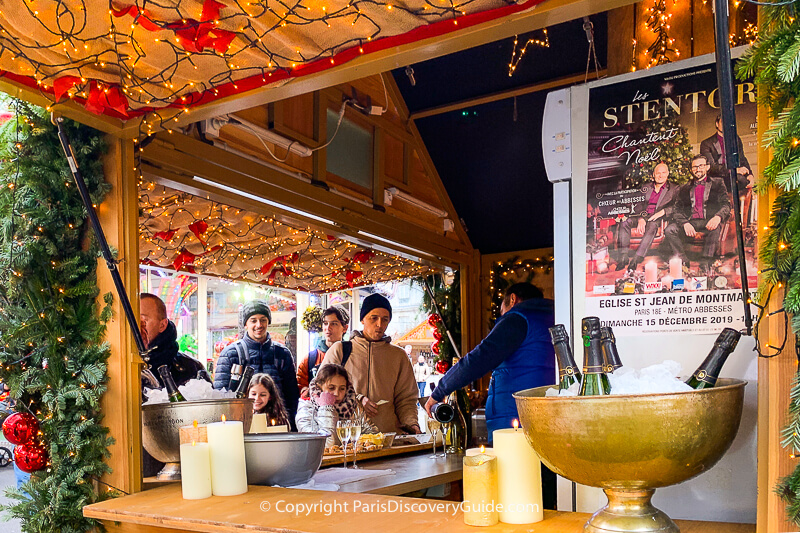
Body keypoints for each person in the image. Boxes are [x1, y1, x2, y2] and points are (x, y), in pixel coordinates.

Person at [423, 283, 556, 509]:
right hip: (553, 419)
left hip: (517, 423)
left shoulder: (517, 318)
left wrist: (439, 391)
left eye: (501, 307)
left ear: (512, 299)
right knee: (545, 494)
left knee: (518, 497)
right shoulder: (556, 316)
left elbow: (479, 358)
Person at [321, 293, 420, 435]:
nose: (379, 324)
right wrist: (358, 400)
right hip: (347, 441)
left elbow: (406, 400)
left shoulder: (399, 356)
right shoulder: (340, 351)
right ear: (363, 319)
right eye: (374, 318)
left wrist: (412, 425)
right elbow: (321, 392)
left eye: (385, 319)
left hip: (388, 440)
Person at [213, 300, 300, 427]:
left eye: (263, 320)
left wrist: (289, 427)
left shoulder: (282, 353)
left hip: (276, 426)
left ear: (268, 322)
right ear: (245, 324)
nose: (259, 325)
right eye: (253, 320)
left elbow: (291, 398)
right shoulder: (231, 354)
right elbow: (221, 397)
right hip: (241, 426)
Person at [663, 154, 732, 275]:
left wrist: (718, 217)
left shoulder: (717, 183)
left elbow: (726, 205)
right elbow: (677, 209)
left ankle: (705, 264)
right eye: (695, 167)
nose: (698, 169)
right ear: (691, 169)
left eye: (701, 166)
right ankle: (683, 260)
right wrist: (685, 223)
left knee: (715, 229)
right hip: (691, 221)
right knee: (669, 230)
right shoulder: (684, 187)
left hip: (709, 220)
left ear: (707, 167)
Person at [295, 364, 378, 446]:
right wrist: (326, 407)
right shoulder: (306, 409)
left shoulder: (352, 404)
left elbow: (372, 434)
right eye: (331, 388)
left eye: (342, 389)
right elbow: (327, 444)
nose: (337, 393)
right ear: (319, 387)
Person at [617, 162, 677, 271]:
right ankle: (623, 256)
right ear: (653, 175)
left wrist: (663, 211)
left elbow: (677, 206)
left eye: (663, 173)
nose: (660, 175)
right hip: (641, 215)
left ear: (668, 174)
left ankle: (637, 258)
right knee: (625, 222)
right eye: (658, 173)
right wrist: (641, 218)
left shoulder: (673, 189)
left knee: (652, 226)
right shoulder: (646, 187)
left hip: (656, 218)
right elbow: (638, 204)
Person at [139, 293, 207, 388]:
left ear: (162, 325)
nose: (137, 326)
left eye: (143, 320)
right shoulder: (116, 363)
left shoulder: (191, 368)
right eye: (131, 320)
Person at [296, 306, 349, 398]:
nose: (328, 328)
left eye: (334, 324)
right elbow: (300, 388)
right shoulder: (310, 359)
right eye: (325, 323)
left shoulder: (351, 355)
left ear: (345, 328)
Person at [700, 114, 753, 193]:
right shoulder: (706, 143)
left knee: (744, 181)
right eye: (723, 122)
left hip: (734, 177)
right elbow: (711, 167)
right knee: (739, 180)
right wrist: (733, 170)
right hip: (717, 177)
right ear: (717, 124)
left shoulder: (736, 139)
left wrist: (750, 174)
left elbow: (742, 158)